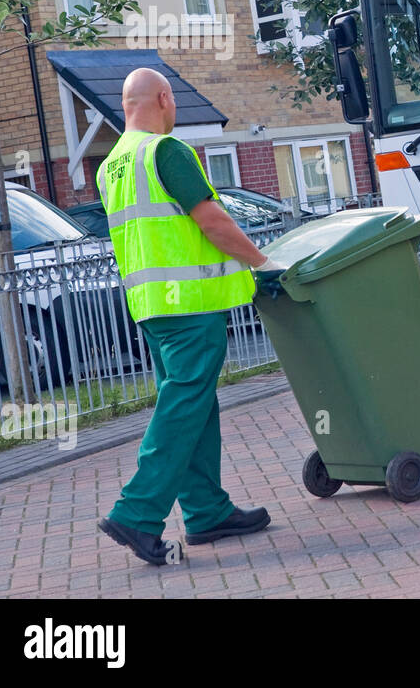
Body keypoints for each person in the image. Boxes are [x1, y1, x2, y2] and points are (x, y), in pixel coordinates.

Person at [96, 68, 279, 566]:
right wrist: (264, 263)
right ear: (163, 98)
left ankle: (207, 512)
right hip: (190, 305)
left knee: (192, 402)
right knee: (183, 404)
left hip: (152, 306)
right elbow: (211, 218)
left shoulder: (110, 164)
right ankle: (137, 511)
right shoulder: (165, 151)